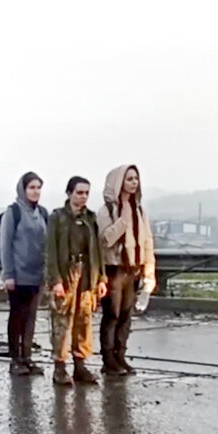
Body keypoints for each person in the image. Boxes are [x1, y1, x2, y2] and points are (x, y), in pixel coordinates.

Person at [45, 177, 108, 386]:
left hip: (87, 273)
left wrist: (101, 278)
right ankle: (60, 366)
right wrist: (55, 280)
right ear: (69, 193)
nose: (83, 197)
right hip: (66, 272)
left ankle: (80, 365)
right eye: (79, 192)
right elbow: (51, 250)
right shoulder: (57, 218)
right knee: (62, 320)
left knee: (84, 319)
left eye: (86, 193)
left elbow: (97, 250)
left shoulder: (90, 218)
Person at [96, 164, 156, 376]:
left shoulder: (140, 210)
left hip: (133, 269)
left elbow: (147, 241)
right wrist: (123, 220)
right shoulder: (106, 211)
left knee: (125, 315)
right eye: (129, 179)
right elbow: (106, 240)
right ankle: (108, 359)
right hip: (114, 269)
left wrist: (149, 273)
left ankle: (120, 355)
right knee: (112, 315)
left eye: (135, 179)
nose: (134, 183)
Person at [0, 172, 49, 376]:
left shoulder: (42, 213)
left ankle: (27, 357)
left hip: (38, 275)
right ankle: (16, 359)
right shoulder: (13, 212)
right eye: (31, 188)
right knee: (17, 317)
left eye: (38, 188)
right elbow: (5, 245)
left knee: (31, 318)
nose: (35, 192)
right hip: (18, 276)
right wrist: (8, 274)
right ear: (23, 189)